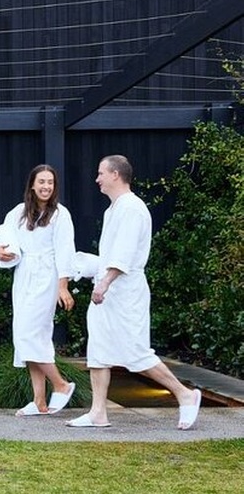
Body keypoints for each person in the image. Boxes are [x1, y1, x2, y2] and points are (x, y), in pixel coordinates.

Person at [66, 155, 201, 430]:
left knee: (135, 353)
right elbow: (110, 255)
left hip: (125, 291)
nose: (97, 179)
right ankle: (98, 412)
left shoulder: (132, 208)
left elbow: (124, 254)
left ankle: (185, 394)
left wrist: (105, 282)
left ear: (116, 174)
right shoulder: (113, 209)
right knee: (99, 350)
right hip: (107, 291)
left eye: (101, 173)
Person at [0, 164, 77, 417]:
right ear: (32, 185)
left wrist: (63, 286)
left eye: (50, 182)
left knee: (29, 335)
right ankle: (39, 401)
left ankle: (60, 384)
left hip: (47, 276)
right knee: (30, 337)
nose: (46, 186)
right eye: (42, 182)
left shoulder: (60, 214)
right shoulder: (19, 212)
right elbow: (2, 234)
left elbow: (65, 250)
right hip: (25, 275)